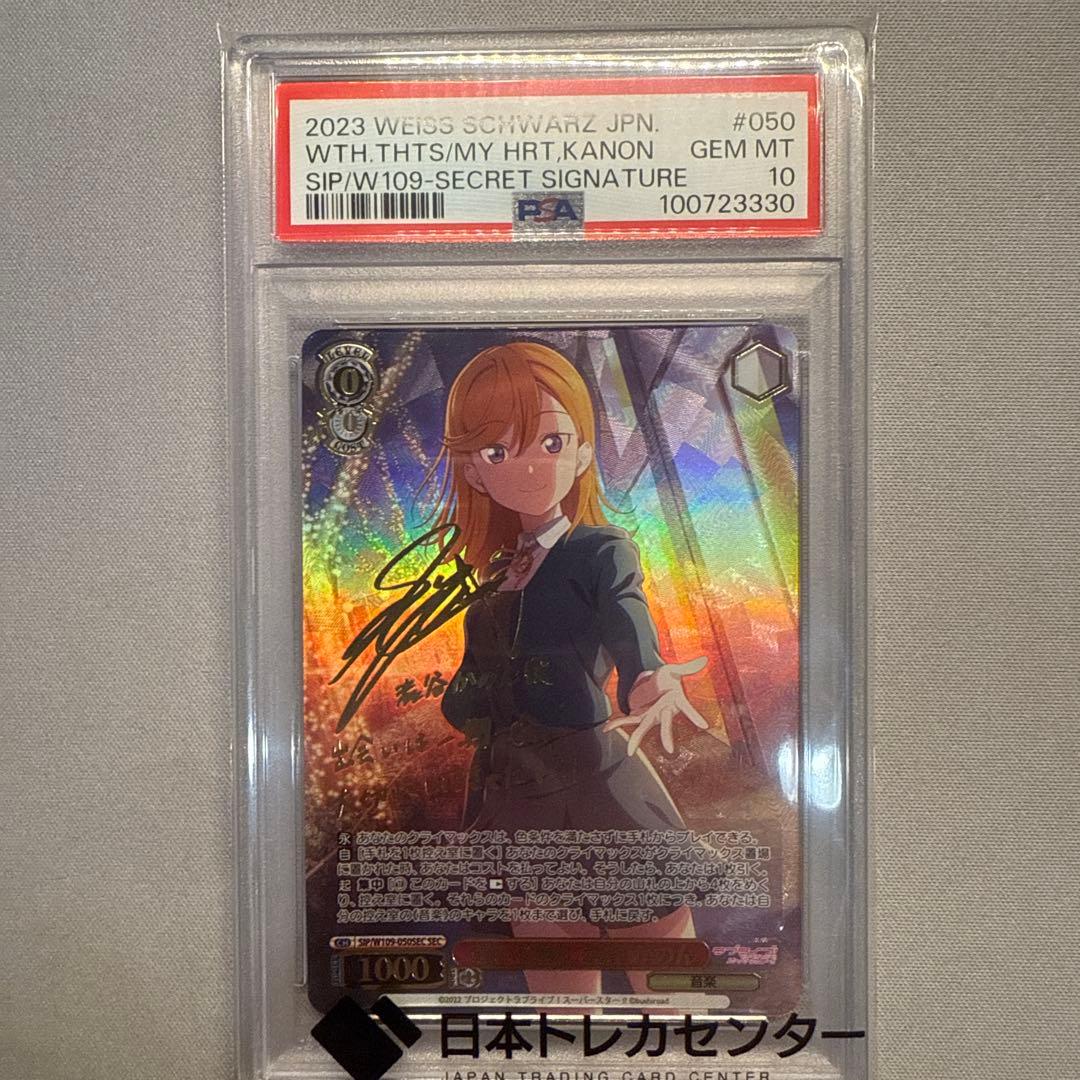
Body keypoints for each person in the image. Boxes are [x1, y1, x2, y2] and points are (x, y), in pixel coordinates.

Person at [432, 340, 707, 995]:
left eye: (552, 443)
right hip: (515, 795)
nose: (531, 466)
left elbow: (627, 618)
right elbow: (467, 694)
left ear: (583, 452)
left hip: (593, 782)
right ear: (475, 472)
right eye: (499, 451)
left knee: (665, 971)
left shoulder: (600, 551)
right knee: (558, 989)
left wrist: (648, 678)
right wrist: (467, 700)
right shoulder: (491, 582)